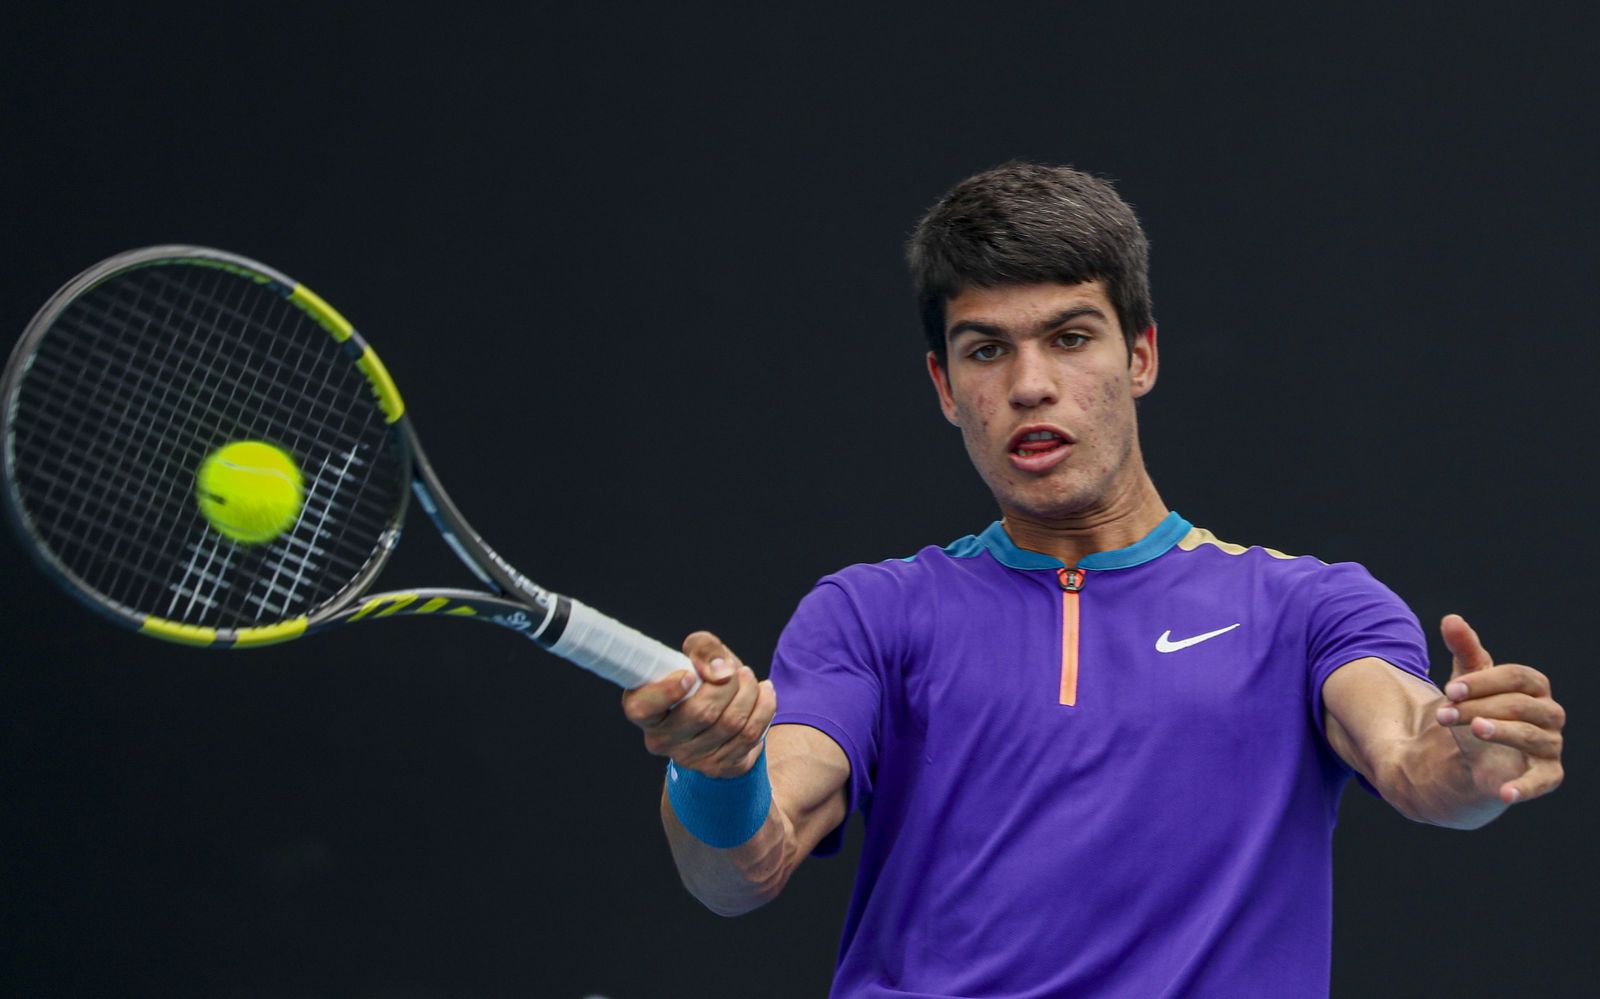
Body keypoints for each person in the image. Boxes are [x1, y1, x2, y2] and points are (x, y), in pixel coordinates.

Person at [620, 162, 1567, 998]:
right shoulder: (870, 614)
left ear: (1140, 355)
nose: (1030, 384)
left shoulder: (1309, 607)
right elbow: (742, 866)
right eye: (986, 350)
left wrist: (1470, 760)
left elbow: (1412, 757)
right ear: (947, 389)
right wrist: (717, 770)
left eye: (1070, 338)